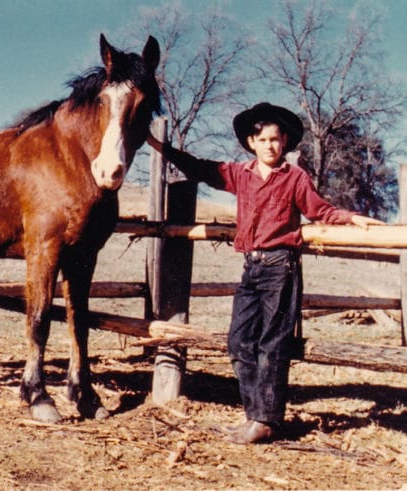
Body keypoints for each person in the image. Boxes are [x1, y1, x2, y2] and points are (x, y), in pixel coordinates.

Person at [146, 102, 384, 444]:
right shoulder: (238, 175)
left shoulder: (295, 177)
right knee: (239, 341)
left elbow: (320, 210)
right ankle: (255, 415)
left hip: (280, 268)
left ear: (284, 141)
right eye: (264, 139)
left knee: (272, 345)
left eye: (276, 139)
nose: (271, 146)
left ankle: (266, 420)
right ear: (251, 142)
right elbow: (199, 168)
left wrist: (352, 217)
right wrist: (161, 148)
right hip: (251, 268)